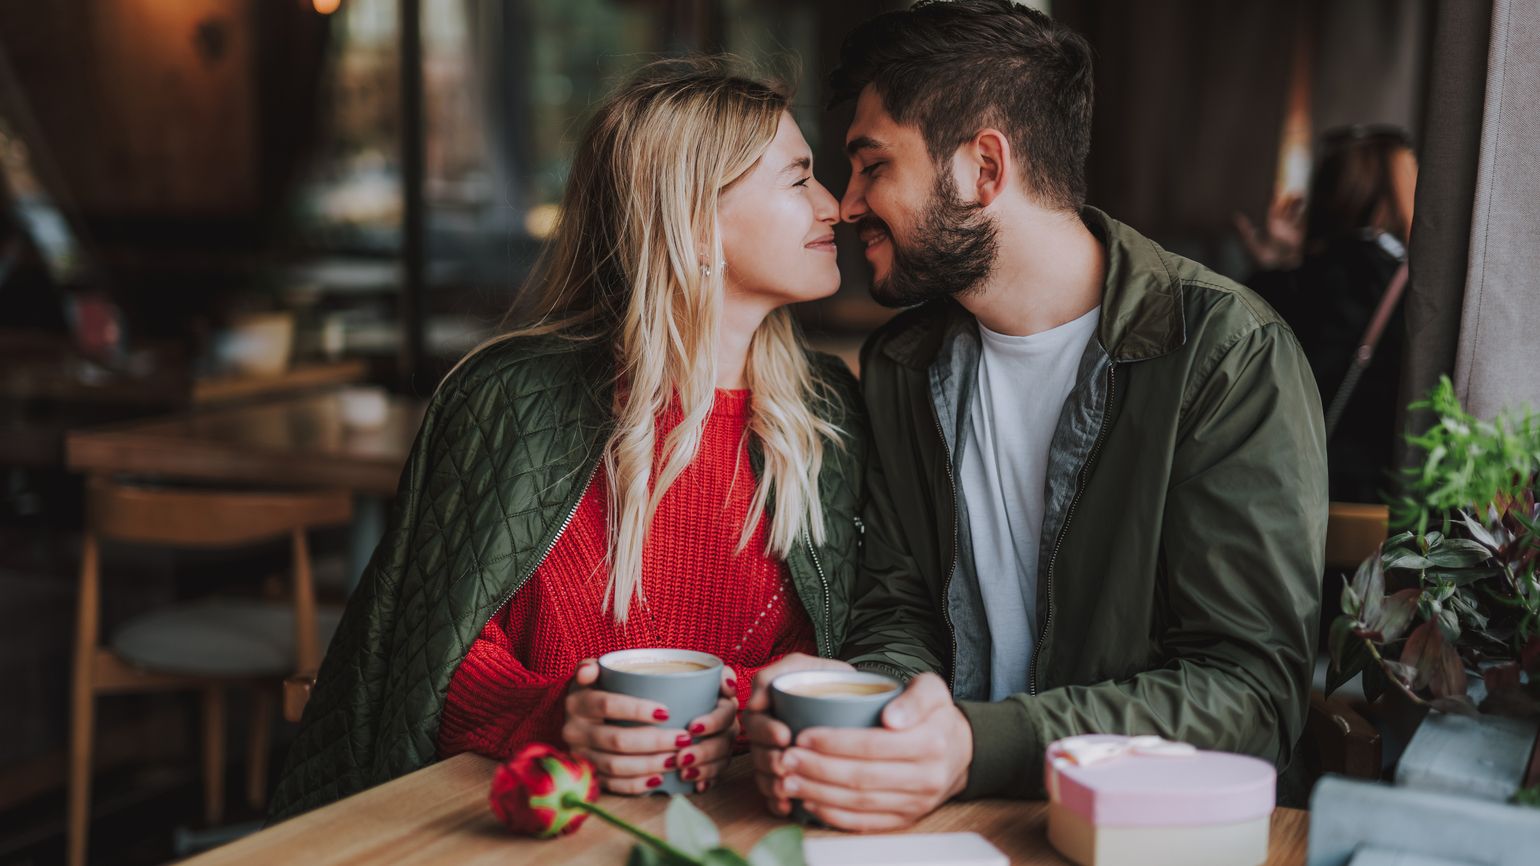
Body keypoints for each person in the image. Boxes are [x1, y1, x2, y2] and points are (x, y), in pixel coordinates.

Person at [744, 0, 1328, 830]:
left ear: (984, 168)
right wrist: (882, 715)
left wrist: (980, 746)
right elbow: (898, 606)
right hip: (945, 825)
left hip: (1154, 835)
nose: (846, 204)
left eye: (873, 166)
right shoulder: (904, 364)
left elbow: (1250, 697)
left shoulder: (1227, 355)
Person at [269, 58, 868, 819]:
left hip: (754, 823)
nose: (835, 206)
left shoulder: (829, 411)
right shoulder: (508, 401)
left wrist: (749, 705)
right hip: (533, 823)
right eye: (799, 179)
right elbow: (424, 668)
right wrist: (559, 718)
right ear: (694, 219)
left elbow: (854, 647)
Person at [1241, 126, 1418, 502]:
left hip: (1284, 494)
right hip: (1383, 501)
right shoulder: (1417, 292)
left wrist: (1275, 264)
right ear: (1394, 199)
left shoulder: (1286, 287)